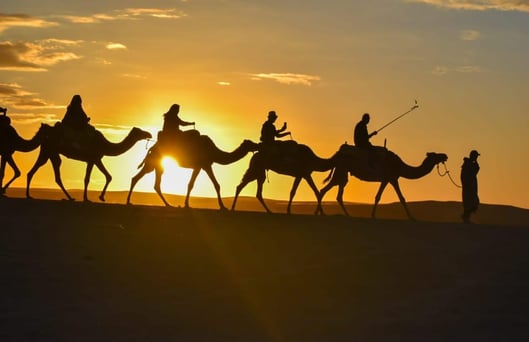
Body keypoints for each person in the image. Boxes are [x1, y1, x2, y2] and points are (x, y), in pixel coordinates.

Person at [460, 150, 480, 223]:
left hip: (472, 186)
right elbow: (463, 175)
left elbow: (475, 171)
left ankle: (466, 217)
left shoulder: (471, 164)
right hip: (468, 186)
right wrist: (465, 183)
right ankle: (466, 218)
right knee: (469, 202)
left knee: (474, 202)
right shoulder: (467, 164)